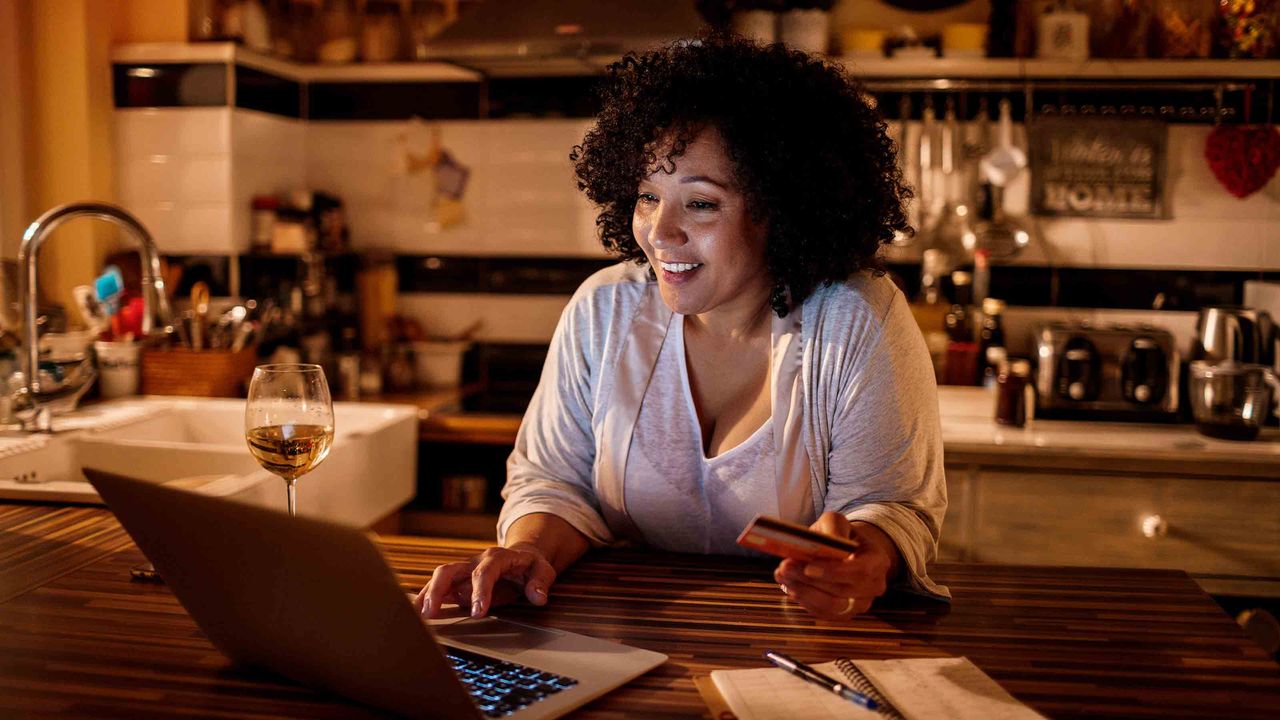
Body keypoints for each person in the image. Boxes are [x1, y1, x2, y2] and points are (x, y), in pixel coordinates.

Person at [415, 34, 948, 622]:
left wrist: (864, 559)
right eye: (648, 196)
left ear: (782, 208)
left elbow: (890, 508)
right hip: (627, 636)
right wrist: (528, 551)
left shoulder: (856, 322)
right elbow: (554, 482)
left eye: (700, 204)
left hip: (804, 648)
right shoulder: (604, 310)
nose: (660, 232)